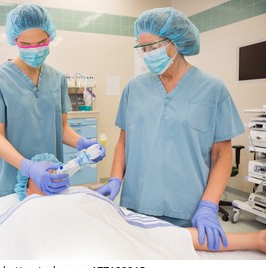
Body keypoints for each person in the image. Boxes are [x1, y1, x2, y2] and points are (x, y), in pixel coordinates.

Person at [96, 7, 245, 251]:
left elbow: (222, 155)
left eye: (152, 47)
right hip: (137, 204)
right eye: (142, 49)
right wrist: (115, 179)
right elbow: (124, 141)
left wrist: (209, 205)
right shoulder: (134, 89)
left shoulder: (213, 89)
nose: (146, 54)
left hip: (188, 208)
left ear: (175, 43)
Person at [0, 153, 266, 260]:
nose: (53, 174)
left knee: (153, 238)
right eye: (43, 172)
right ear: (27, 184)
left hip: (111, 253)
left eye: (57, 170)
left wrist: (254, 239)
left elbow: (148, 233)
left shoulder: (82, 198)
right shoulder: (21, 208)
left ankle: (255, 238)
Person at [0, 3, 105, 199]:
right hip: (12, 179)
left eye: (40, 43)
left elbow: (61, 127)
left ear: (50, 38)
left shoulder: (57, 79)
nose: (34, 50)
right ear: (14, 40)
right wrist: (27, 167)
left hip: (51, 176)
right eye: (26, 45)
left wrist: (82, 143)